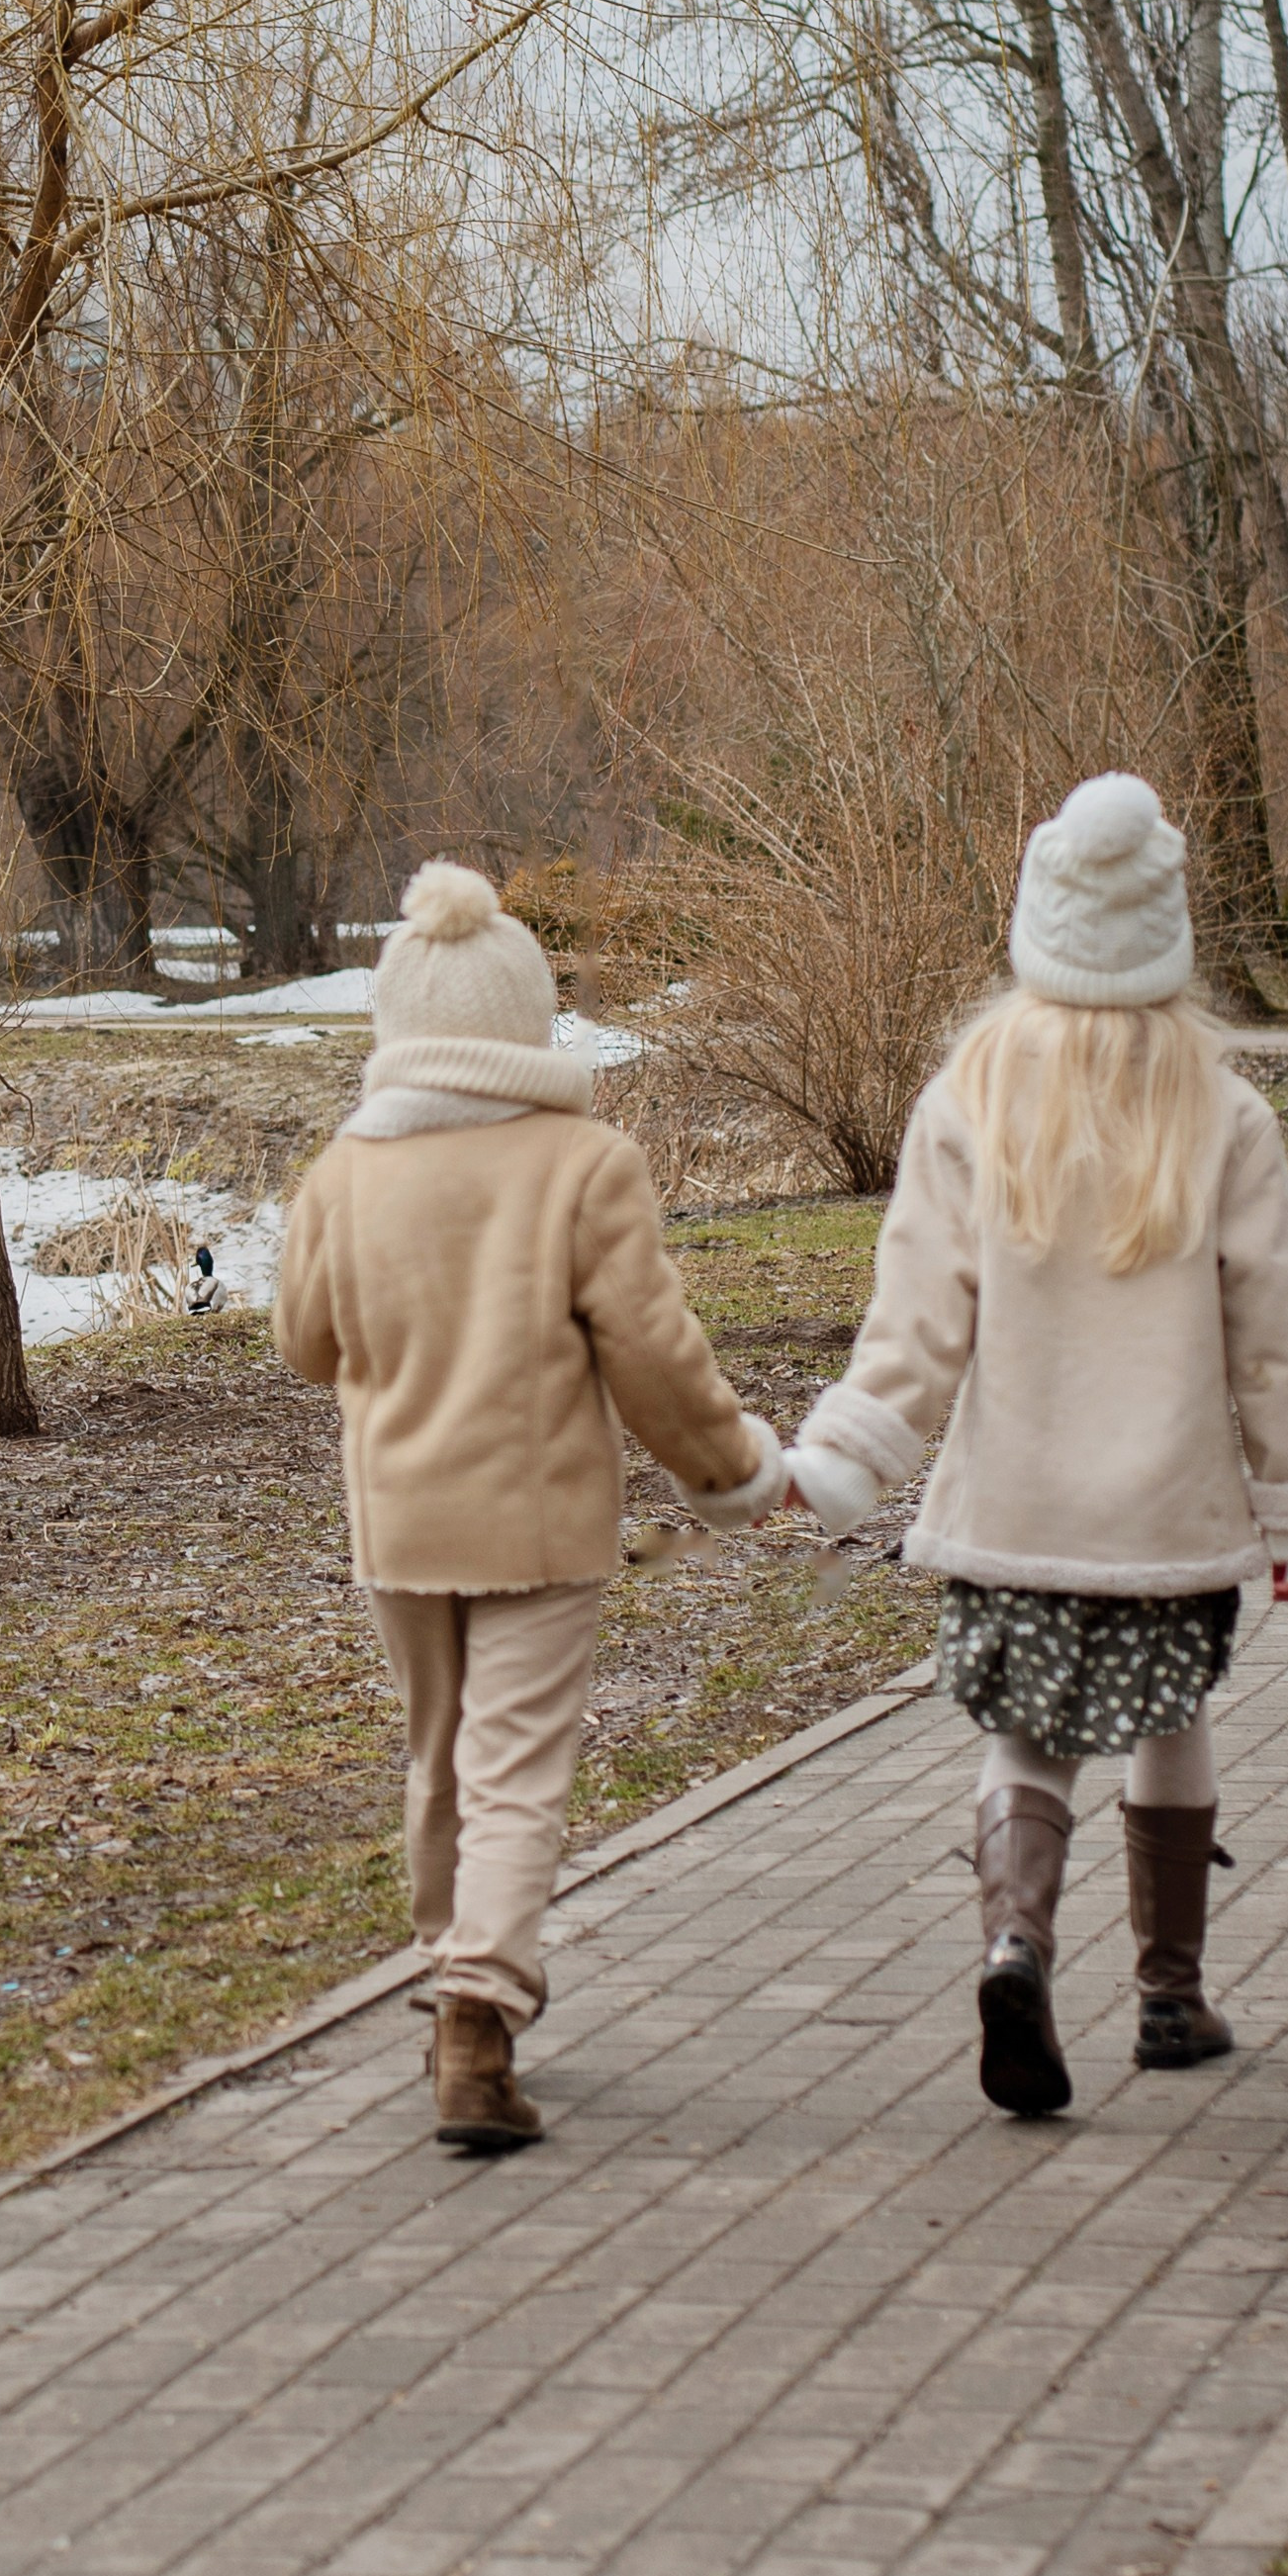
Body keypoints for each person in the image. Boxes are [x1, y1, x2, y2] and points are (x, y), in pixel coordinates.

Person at [782, 776, 1288, 2116]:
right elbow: (1278, 1332)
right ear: (1163, 939)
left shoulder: (968, 1097)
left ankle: (1014, 1943)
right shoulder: (1220, 1111)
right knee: (1173, 1718)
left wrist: (855, 1453)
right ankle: (1169, 1997)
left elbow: (917, 1324)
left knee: (1030, 1737)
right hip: (1167, 1512)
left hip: (1019, 1506)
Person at [275, 863, 784, 2152]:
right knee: (514, 1773)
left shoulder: (346, 1168)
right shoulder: (583, 1163)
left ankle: (454, 1967)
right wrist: (723, 1472)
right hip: (541, 1520)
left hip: (401, 1517)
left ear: (398, 1021)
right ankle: (478, 2011)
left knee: (439, 1757)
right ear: (525, 1019)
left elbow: (304, 1342)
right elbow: (654, 1354)